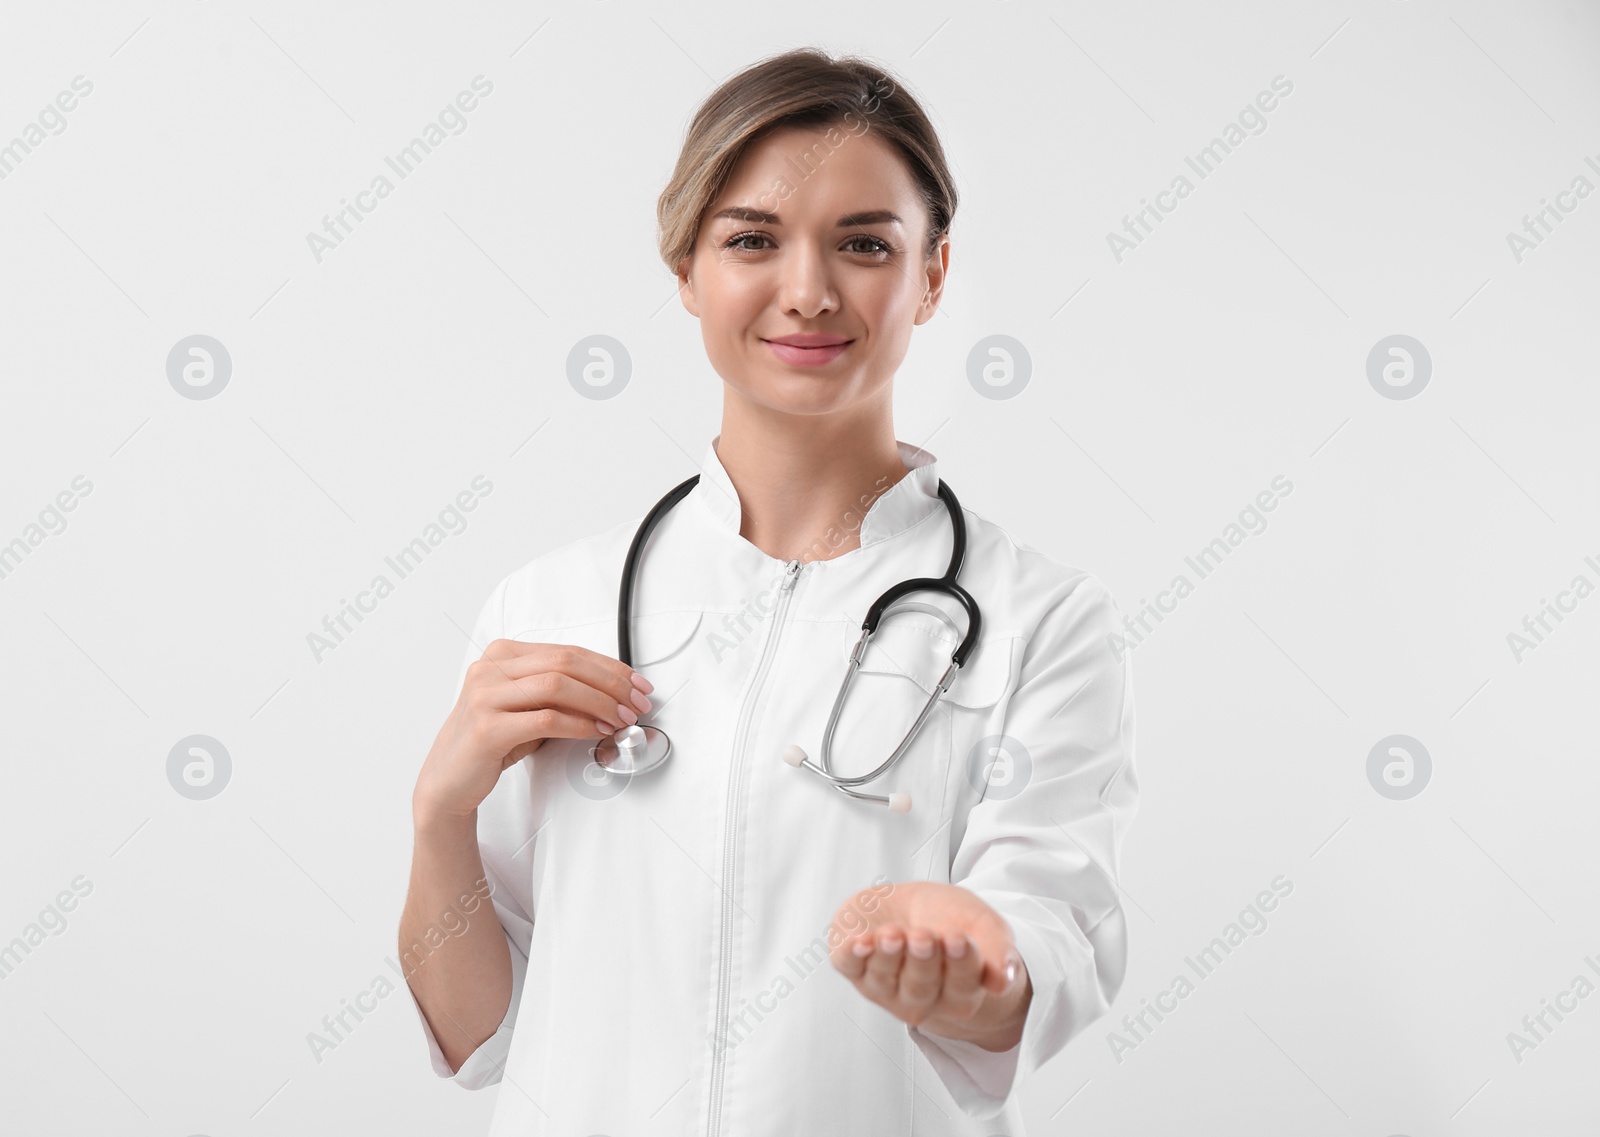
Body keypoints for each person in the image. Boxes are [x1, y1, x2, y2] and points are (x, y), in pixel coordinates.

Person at [398, 46, 1138, 1136]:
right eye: (752, 239)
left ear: (930, 277)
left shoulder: (1040, 620)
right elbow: (477, 1038)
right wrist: (440, 813)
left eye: (865, 245)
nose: (808, 291)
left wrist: (972, 966)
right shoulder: (549, 606)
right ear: (686, 270)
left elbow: (1048, 943)